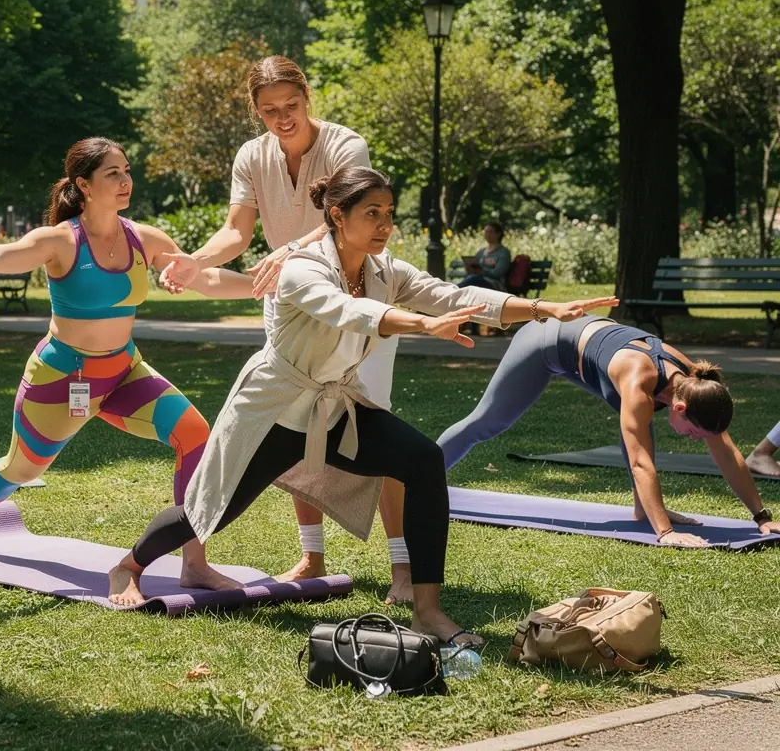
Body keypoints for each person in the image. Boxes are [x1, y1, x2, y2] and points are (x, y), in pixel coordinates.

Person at [108, 167, 616, 638]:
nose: (384, 225)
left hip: (335, 409)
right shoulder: (301, 268)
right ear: (337, 215)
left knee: (423, 460)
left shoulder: (383, 269)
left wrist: (541, 308)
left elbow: (451, 296)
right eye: (371, 213)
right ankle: (129, 566)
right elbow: (347, 311)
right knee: (206, 513)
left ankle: (427, 609)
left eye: (389, 212)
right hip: (273, 412)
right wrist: (422, 324)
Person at [0, 137, 252, 586]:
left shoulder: (144, 239)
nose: (125, 181)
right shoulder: (60, 241)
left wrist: (268, 283)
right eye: (112, 173)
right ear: (83, 185)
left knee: (194, 433)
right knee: (22, 469)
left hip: (124, 371)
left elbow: (204, 278)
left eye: (126, 170)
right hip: (61, 379)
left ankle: (194, 563)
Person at [161, 55, 415, 601]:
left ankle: (403, 567)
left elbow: (341, 217)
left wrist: (291, 250)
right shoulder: (252, 156)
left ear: (307, 96)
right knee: (298, 426)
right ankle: (311, 553)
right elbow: (236, 231)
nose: (282, 118)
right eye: (269, 110)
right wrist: (194, 262)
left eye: (291, 105)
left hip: (356, 299)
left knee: (382, 431)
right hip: (293, 306)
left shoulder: (346, 145)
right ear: (255, 111)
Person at [437, 316, 780, 546]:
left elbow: (727, 454)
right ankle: (418, 479)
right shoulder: (639, 381)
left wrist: (761, 517)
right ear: (679, 408)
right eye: (693, 433)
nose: (693, 438)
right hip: (545, 341)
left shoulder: (696, 386)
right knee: (488, 422)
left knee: (641, 426)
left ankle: (644, 508)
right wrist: (666, 532)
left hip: (586, 350)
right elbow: (640, 463)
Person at [458, 221, 511, 291]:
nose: (487, 234)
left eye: (490, 232)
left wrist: (482, 271)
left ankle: (454, 290)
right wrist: (469, 268)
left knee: (474, 279)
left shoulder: (503, 253)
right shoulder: (481, 252)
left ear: (498, 234)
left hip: (494, 284)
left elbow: (497, 273)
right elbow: (474, 268)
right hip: (475, 280)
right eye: (485, 232)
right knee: (472, 278)